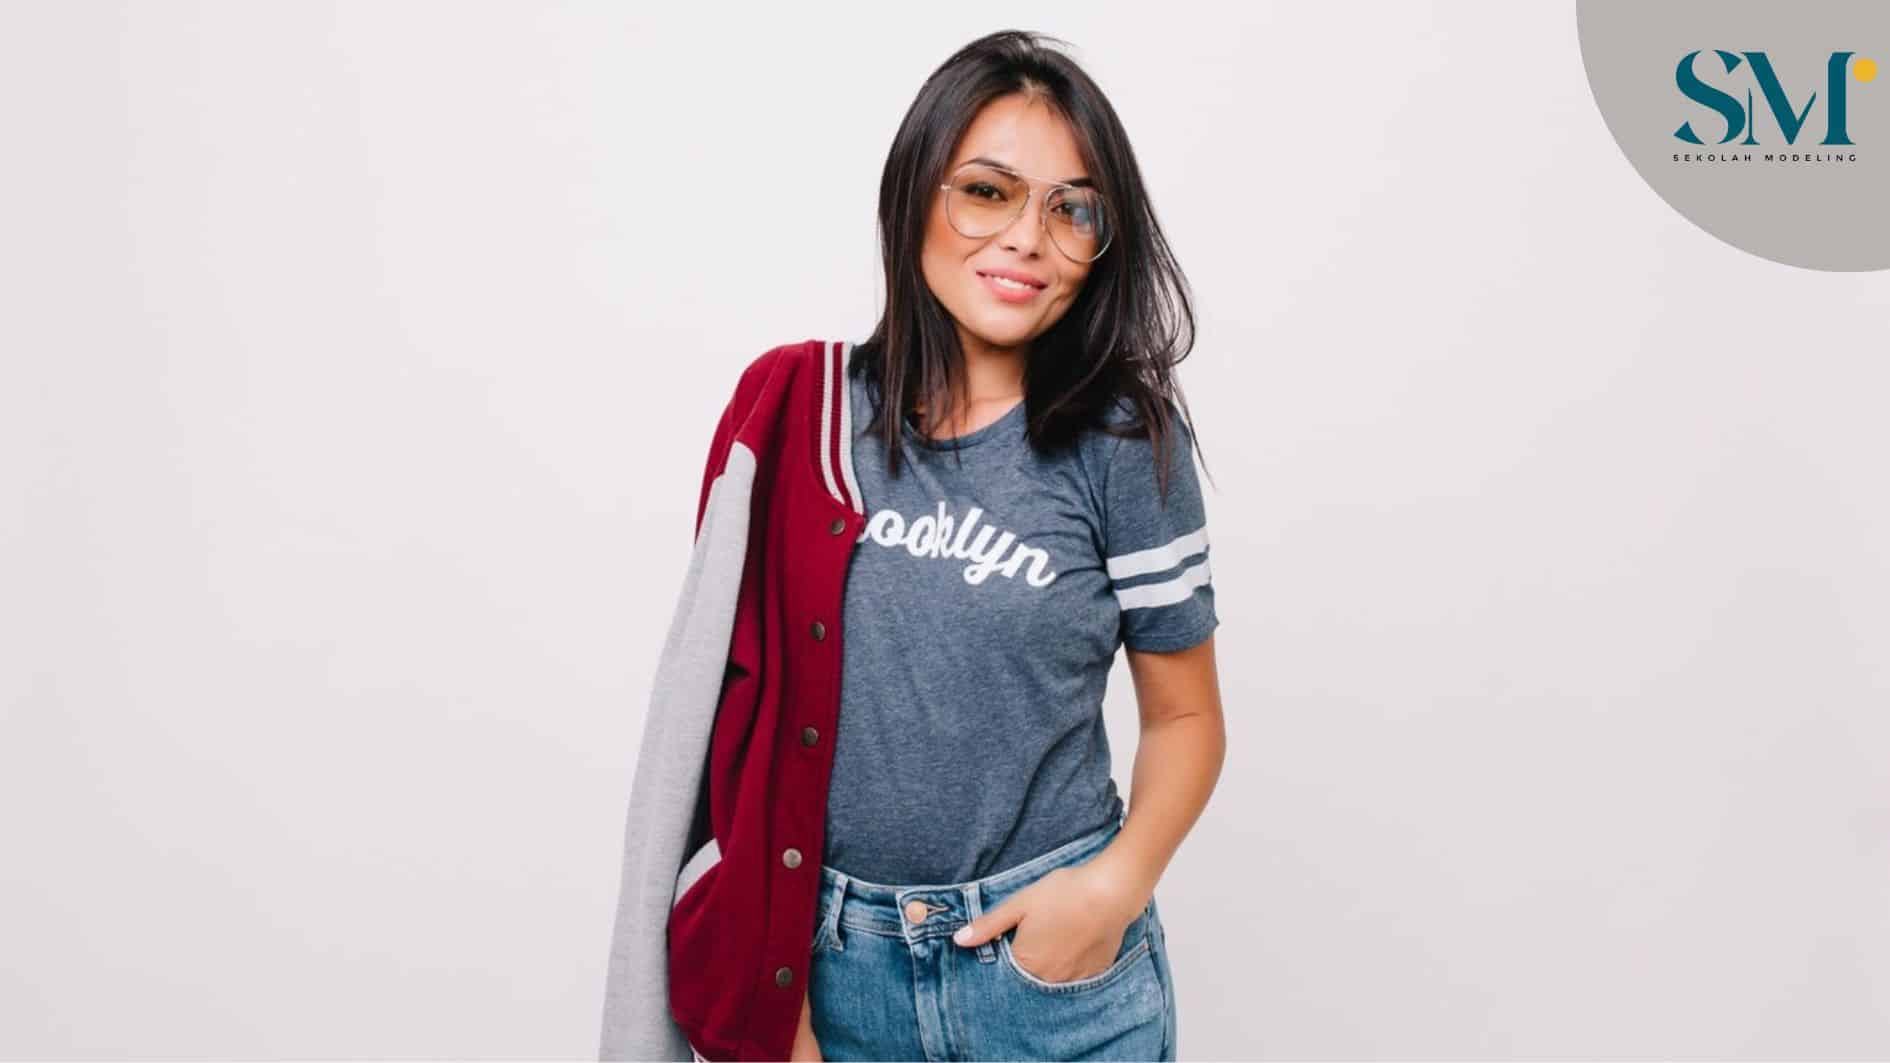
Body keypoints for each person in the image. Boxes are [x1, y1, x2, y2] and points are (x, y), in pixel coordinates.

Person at [795, 28, 1226, 1062]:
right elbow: (739, 719)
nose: (1029, 237)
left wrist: (1110, 890)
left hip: (1049, 982)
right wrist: (781, 1005)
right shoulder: (813, 420)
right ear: (914, 196)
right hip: (838, 973)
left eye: (1071, 208)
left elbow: (1187, 716)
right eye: (987, 192)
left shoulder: (1125, 444)